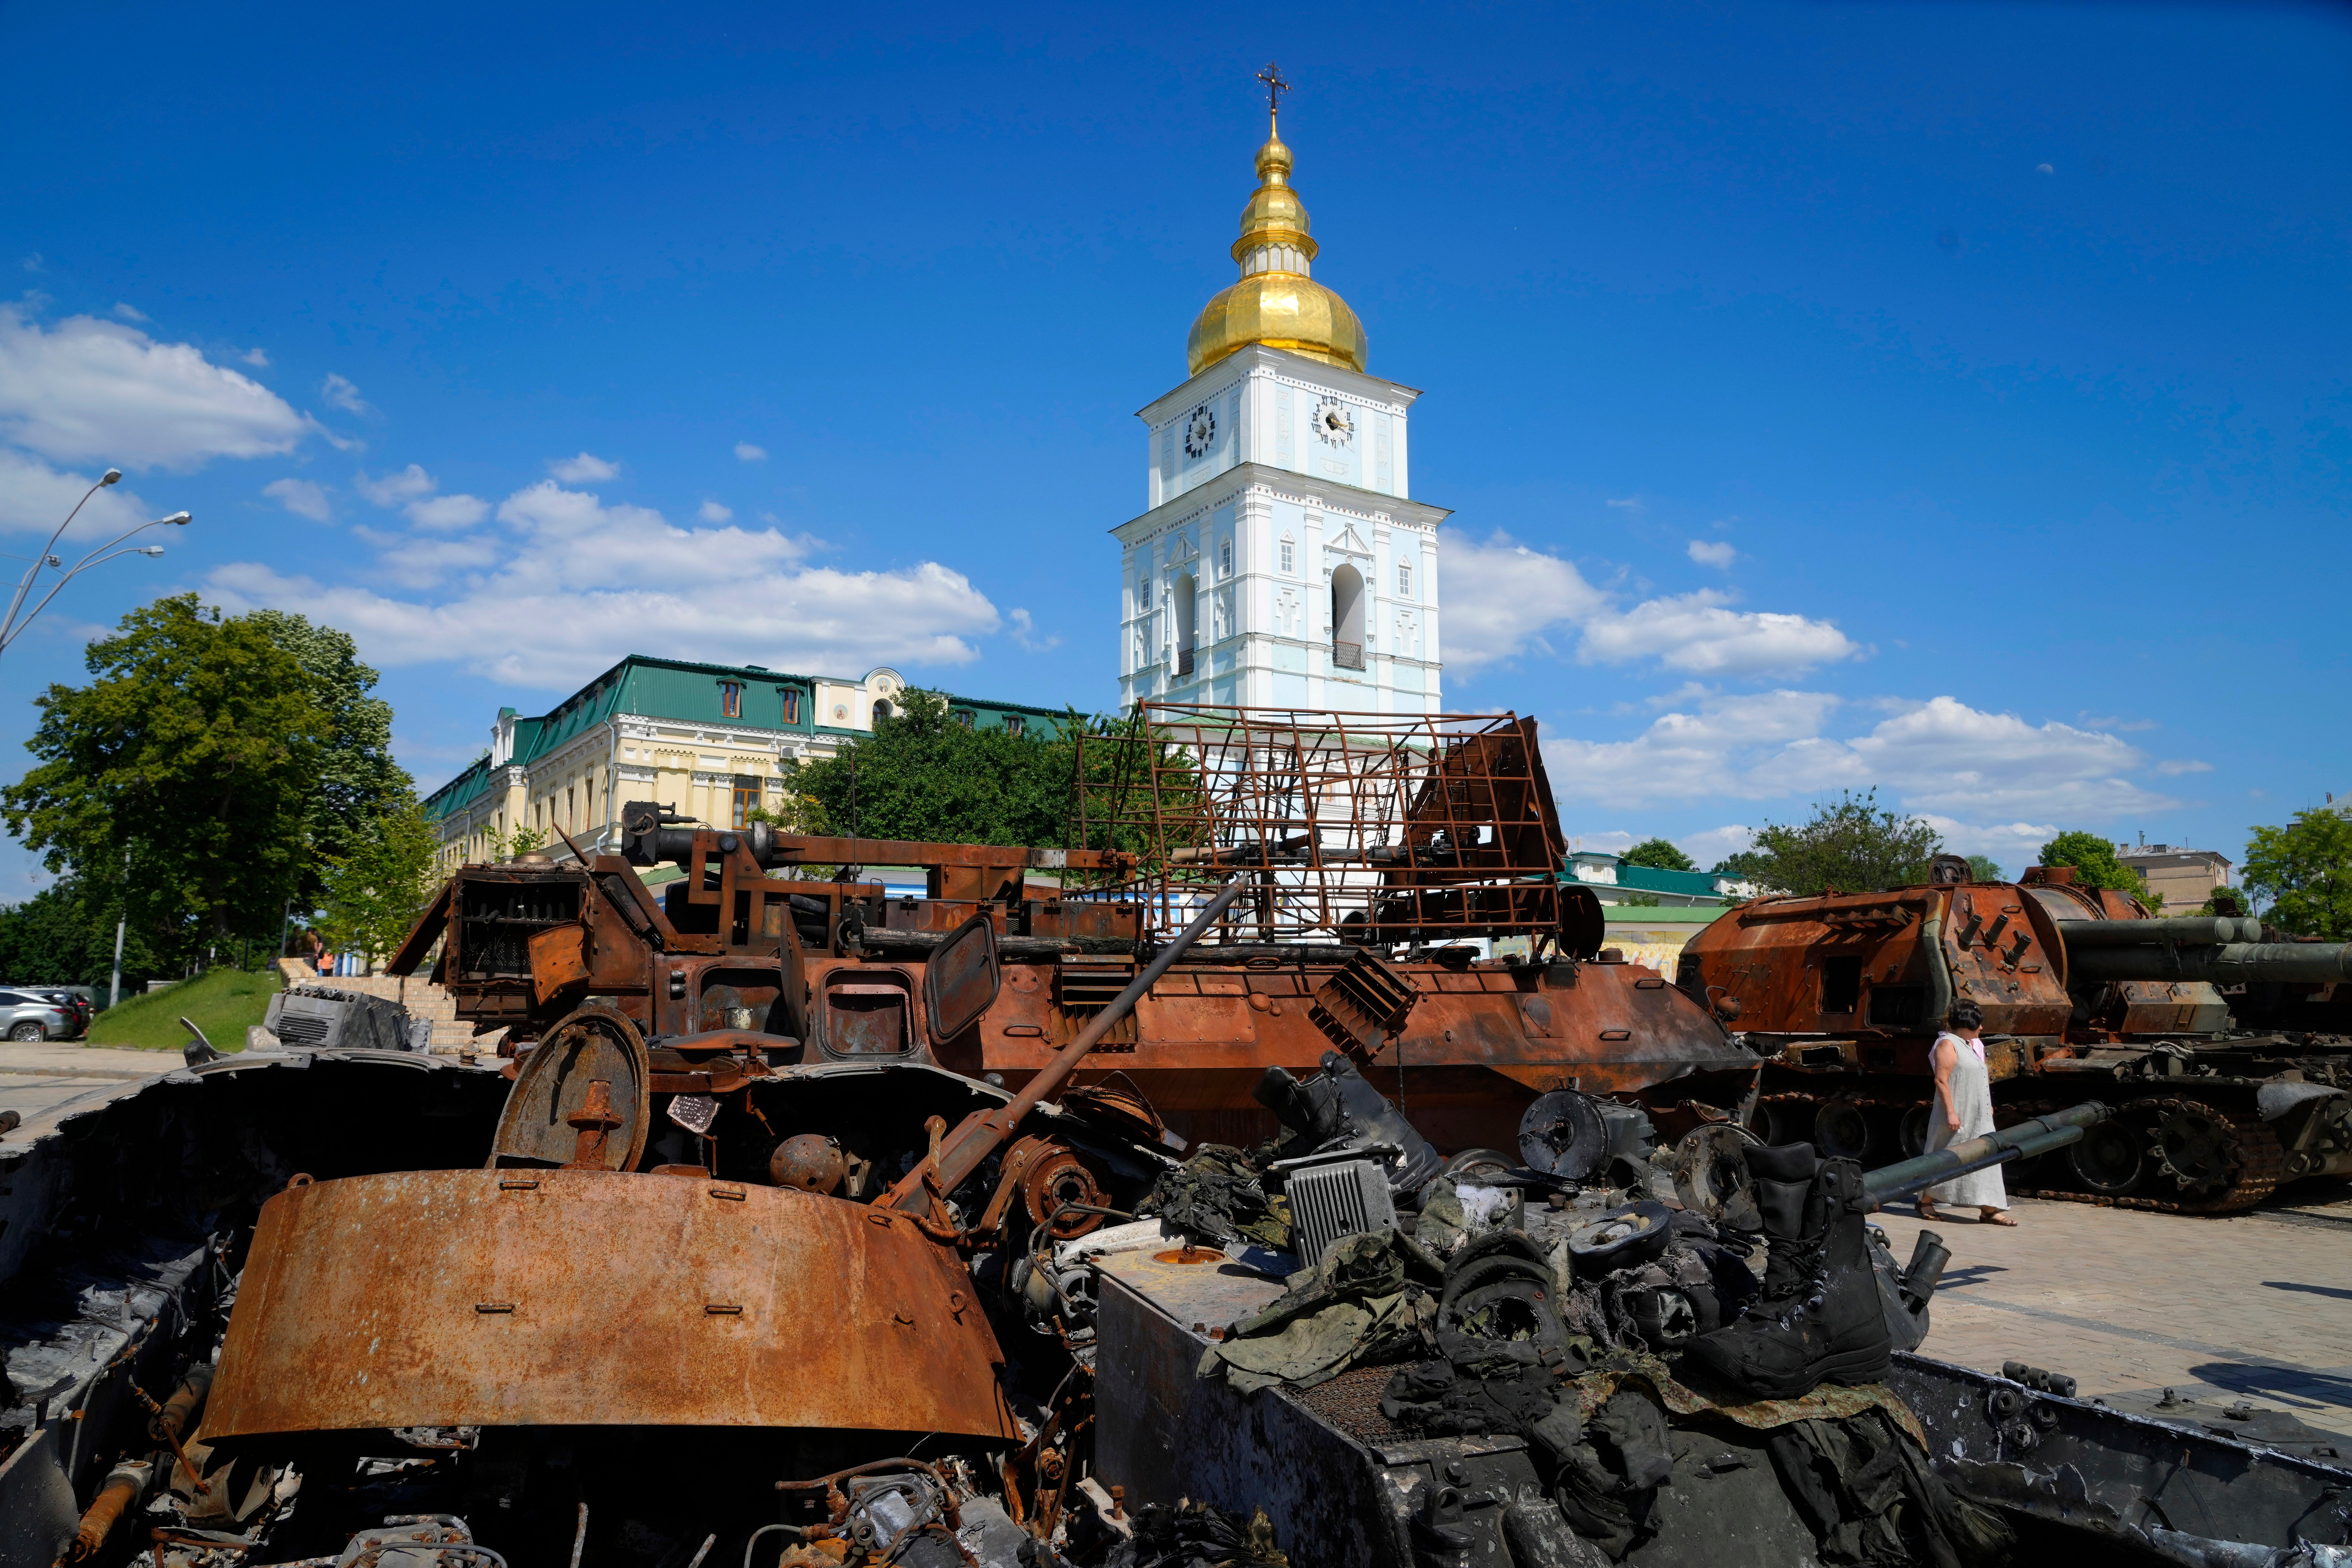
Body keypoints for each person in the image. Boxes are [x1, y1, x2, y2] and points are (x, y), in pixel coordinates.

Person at [1918, 1000, 2015, 1226]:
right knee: (1945, 1156)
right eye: (1978, 1024)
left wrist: (1986, 1102)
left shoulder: (1970, 1044)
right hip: (1958, 1112)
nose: (1981, 1029)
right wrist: (1951, 1113)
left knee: (1987, 1155)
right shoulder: (1948, 1044)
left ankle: (1989, 1209)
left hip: (1977, 1113)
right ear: (1967, 1023)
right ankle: (1925, 1202)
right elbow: (1941, 1080)